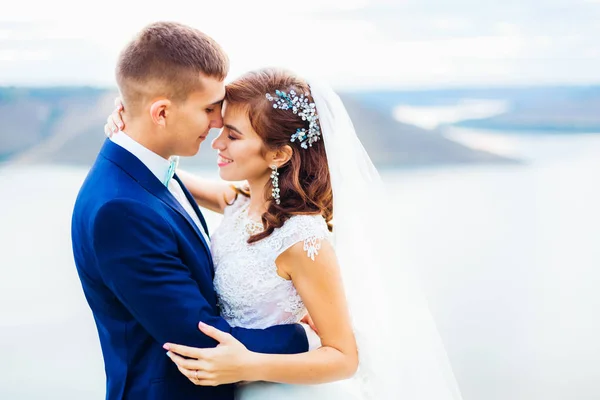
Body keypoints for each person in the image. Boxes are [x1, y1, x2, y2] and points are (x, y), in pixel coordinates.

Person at [105, 67, 464, 400]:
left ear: (278, 154)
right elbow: (169, 179)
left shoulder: (303, 239)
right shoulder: (238, 201)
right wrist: (132, 137)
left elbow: (343, 356)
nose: (217, 144)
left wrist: (249, 364)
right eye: (220, 131)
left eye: (232, 135)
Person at [72, 22, 319, 400]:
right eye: (209, 108)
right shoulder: (120, 211)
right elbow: (199, 339)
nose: (218, 121)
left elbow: (237, 201)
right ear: (161, 113)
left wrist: (125, 128)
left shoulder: (153, 171)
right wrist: (303, 334)